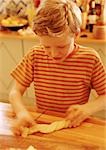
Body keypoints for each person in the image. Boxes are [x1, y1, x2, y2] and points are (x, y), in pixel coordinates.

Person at [9, 0, 106, 135]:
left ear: (76, 34)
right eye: (46, 46)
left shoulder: (90, 59)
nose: (54, 54)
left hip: (75, 126)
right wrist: (21, 112)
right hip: (43, 121)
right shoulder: (35, 55)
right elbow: (15, 92)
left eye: (61, 46)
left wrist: (88, 108)